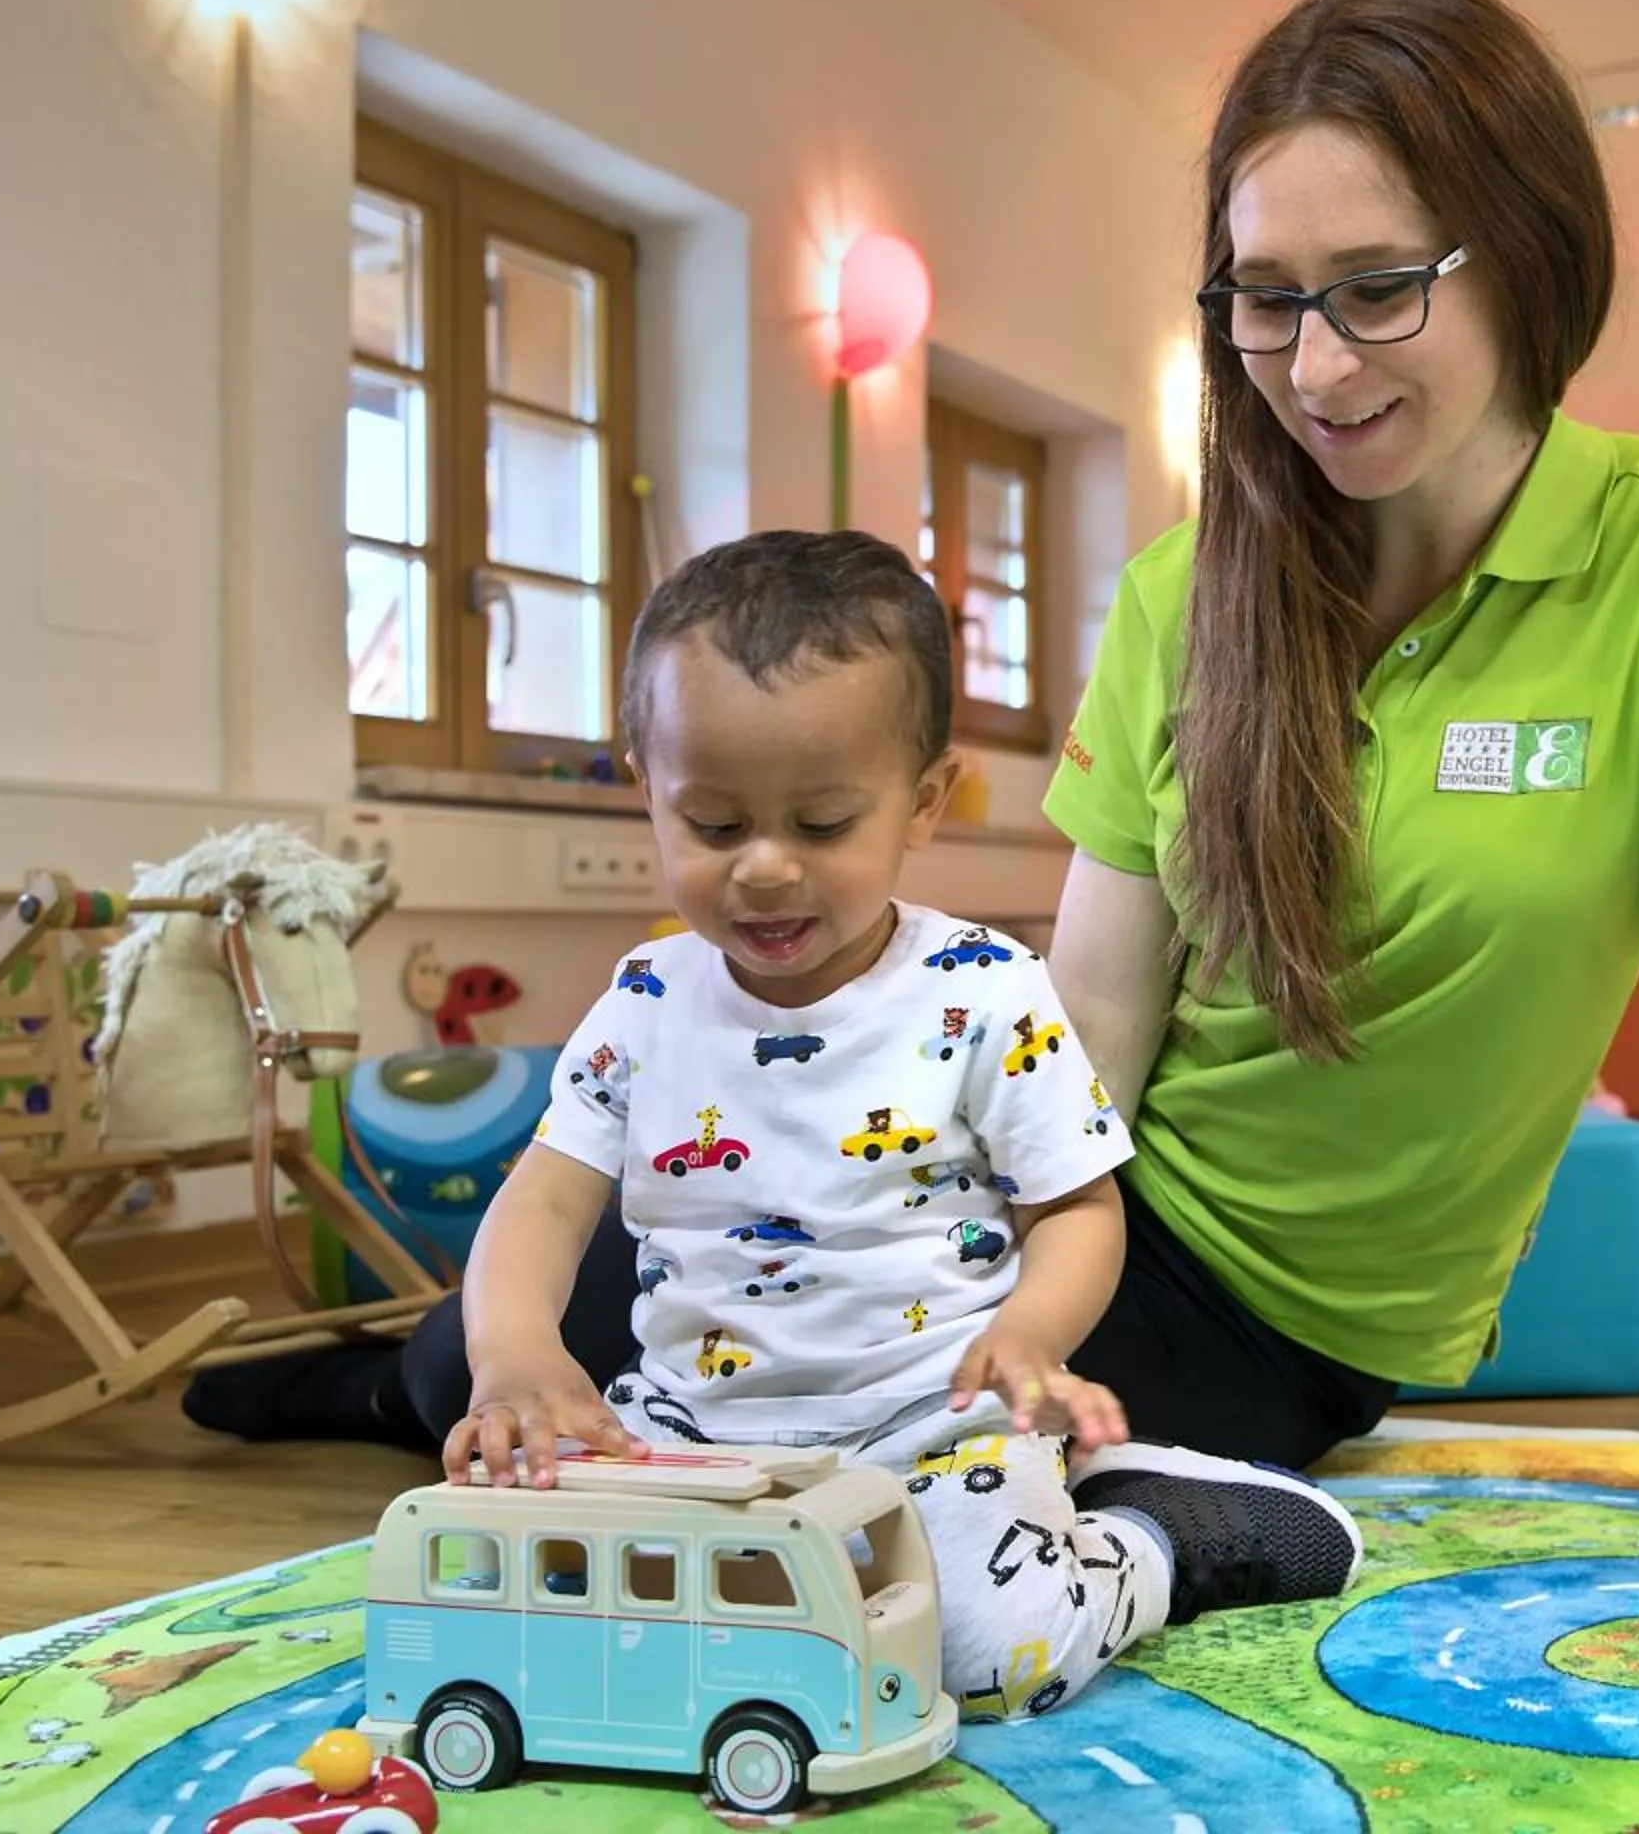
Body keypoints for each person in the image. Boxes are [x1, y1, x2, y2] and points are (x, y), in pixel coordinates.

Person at [190, 0, 1639, 1679]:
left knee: (859, 1526)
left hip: (1282, 1315)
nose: (1318, 368)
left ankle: (438, 1379)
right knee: (530, 1347)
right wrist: (882, 1214)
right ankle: (386, 1377)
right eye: (1266, 299)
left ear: (1529, 256)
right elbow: (1085, 1023)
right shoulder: (1189, 595)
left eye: (1379, 289)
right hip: (1043, 1205)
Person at [439, 527, 1363, 1724]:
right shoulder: (646, 998)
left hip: (932, 1423)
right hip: (689, 1423)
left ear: (922, 800)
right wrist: (514, 1348)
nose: (766, 868)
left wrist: (1033, 1332)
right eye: (714, 824)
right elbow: (546, 1197)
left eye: (822, 824)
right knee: (542, 1609)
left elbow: (1078, 1206)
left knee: (993, 1655)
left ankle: (1156, 1533)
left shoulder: (983, 992)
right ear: (647, 788)